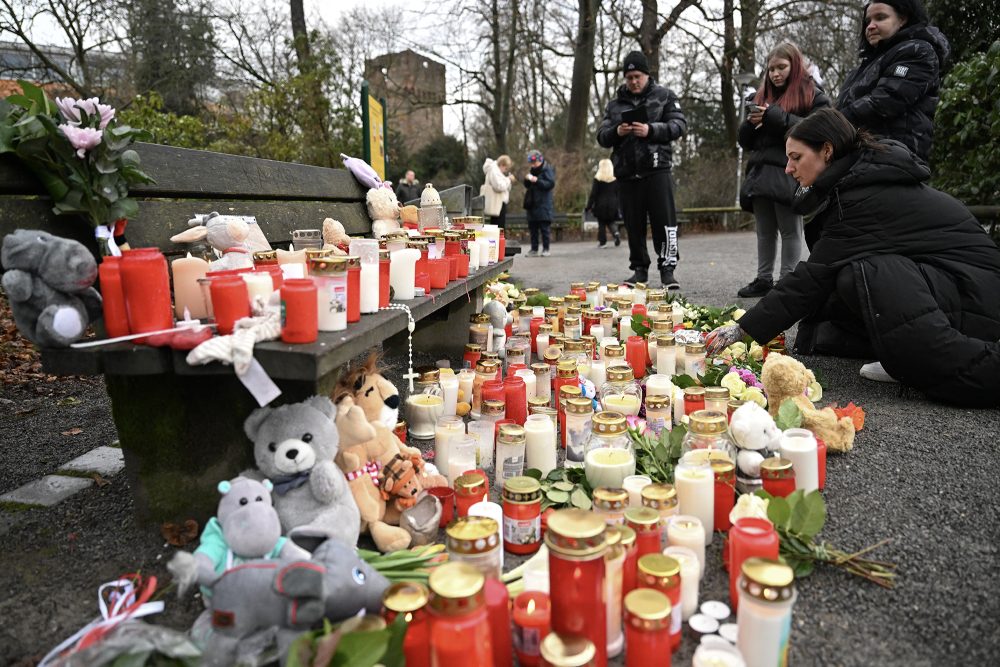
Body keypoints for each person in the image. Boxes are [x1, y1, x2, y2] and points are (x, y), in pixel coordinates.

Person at [705, 109, 1000, 407]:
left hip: (976, 299)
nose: (788, 168)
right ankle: (894, 350)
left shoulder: (862, 197)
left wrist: (742, 330)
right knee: (848, 276)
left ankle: (936, 361)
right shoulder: (860, 181)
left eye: (796, 157)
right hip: (960, 287)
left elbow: (811, 278)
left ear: (827, 151)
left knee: (864, 274)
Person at [737, 41, 830, 298]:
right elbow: (744, 141)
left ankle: (787, 281)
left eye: (781, 67)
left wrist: (777, 118)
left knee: (790, 229)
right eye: (771, 69)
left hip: (791, 171)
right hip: (760, 174)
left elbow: (821, 126)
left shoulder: (811, 92)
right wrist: (750, 123)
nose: (775, 73)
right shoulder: (758, 96)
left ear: (795, 65)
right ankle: (763, 279)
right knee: (764, 231)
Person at [597, 50, 687, 288]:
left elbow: (679, 125)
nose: (634, 81)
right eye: (629, 77)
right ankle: (639, 270)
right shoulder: (614, 105)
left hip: (658, 170)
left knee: (664, 222)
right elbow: (602, 136)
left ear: (647, 75)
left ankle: (668, 270)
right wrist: (617, 131)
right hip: (626, 174)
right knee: (633, 225)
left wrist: (651, 130)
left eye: (638, 76)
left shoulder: (665, 96)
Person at [522, 150, 556, 257]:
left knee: (544, 228)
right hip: (532, 204)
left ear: (540, 160)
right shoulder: (532, 170)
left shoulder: (547, 169)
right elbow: (527, 186)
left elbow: (550, 184)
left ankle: (546, 249)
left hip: (544, 204)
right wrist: (527, 179)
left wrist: (537, 181)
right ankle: (534, 249)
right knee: (533, 228)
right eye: (532, 163)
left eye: (535, 162)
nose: (533, 165)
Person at [585, 158, 621, 249]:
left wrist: (588, 206)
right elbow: (618, 193)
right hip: (613, 204)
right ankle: (616, 233)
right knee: (611, 221)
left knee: (602, 223)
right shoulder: (615, 178)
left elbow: (593, 194)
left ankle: (603, 242)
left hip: (600, 205)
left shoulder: (598, 179)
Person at [482, 154, 514, 229]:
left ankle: (497, 240)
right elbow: (499, 186)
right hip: (497, 202)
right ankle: (497, 241)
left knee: (497, 225)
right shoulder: (494, 170)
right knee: (498, 226)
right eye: (506, 168)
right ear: (502, 164)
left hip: (498, 202)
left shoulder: (496, 171)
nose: (505, 171)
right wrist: (508, 179)